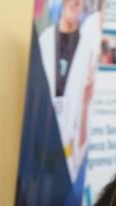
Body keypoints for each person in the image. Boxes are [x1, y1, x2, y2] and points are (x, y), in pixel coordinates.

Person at [38, 0, 101, 183]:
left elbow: (84, 120)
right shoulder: (44, 41)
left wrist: (85, 103)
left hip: (68, 162)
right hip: (39, 153)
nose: (75, 2)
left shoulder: (88, 49)